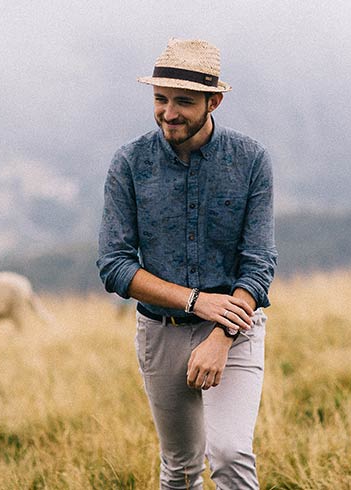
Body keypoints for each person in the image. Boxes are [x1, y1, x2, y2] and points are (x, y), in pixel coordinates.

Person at [97, 38, 277, 489]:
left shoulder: (251, 160)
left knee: (230, 454)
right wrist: (195, 303)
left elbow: (258, 264)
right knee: (179, 466)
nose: (168, 113)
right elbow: (114, 265)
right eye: (160, 100)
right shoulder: (130, 164)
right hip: (161, 333)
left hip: (235, 328)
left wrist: (221, 334)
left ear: (213, 101)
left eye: (184, 102)